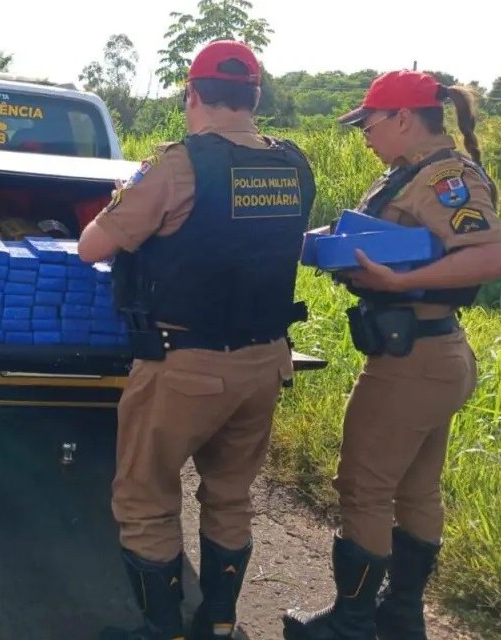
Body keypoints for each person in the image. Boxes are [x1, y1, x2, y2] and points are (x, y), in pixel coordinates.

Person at [77, 40, 317, 640]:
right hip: (267, 362)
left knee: (146, 498)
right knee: (230, 496)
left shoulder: (180, 164)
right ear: (255, 97)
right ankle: (218, 622)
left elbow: (92, 247)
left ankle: (165, 630)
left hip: (186, 365)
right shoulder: (295, 164)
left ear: (193, 95)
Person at [282, 70, 501, 640]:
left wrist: (394, 285)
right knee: (415, 489)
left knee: (363, 487)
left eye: (370, 121)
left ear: (405, 118)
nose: (363, 133)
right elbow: (364, 232)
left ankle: (352, 623)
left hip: (413, 359)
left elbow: (492, 257)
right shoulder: (409, 174)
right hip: (431, 352)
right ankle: (400, 614)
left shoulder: (445, 179)